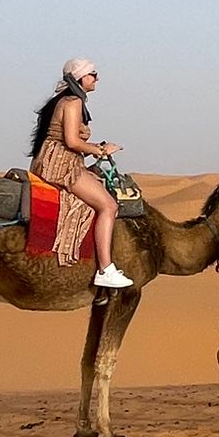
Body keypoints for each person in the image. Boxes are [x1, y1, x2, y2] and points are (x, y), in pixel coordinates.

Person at [28, 58, 131, 288]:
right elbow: (72, 141)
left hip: (58, 159)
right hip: (61, 164)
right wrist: (101, 150)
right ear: (80, 77)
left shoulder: (66, 101)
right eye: (93, 74)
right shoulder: (72, 102)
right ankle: (105, 269)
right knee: (109, 206)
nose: (97, 78)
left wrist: (97, 148)